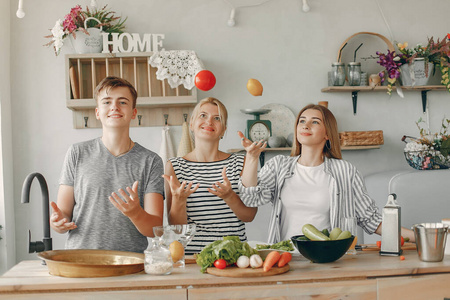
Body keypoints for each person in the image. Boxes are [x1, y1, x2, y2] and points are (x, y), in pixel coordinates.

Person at [238, 103, 415, 244]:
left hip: (330, 261)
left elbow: (371, 220)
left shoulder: (345, 171)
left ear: (328, 134)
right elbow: (251, 198)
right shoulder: (279, 166)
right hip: (286, 261)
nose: (305, 125)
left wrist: (419, 237)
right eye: (301, 121)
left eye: (315, 122)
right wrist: (252, 158)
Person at [50, 76, 164, 253]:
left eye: (123, 102)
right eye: (107, 102)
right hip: (80, 260)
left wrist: (136, 213)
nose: (114, 107)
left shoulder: (151, 161)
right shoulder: (77, 153)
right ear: (97, 112)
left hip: (130, 264)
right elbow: (64, 214)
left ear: (134, 113)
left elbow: (156, 229)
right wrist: (58, 222)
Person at [163, 97, 257, 254]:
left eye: (217, 118)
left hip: (234, 256)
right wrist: (179, 200)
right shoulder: (175, 166)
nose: (209, 121)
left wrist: (230, 197)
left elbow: (249, 215)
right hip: (193, 257)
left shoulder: (240, 162)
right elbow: (176, 228)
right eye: (203, 115)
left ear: (223, 130)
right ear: (191, 123)